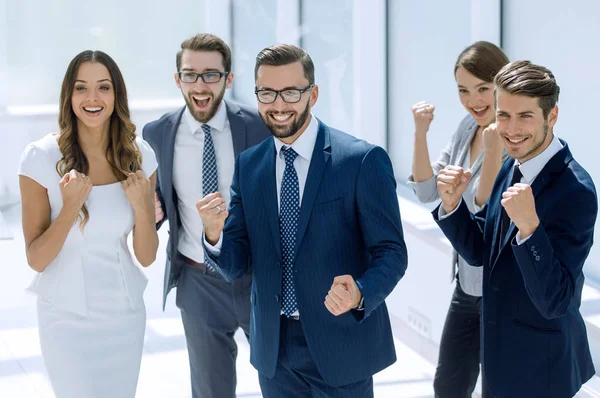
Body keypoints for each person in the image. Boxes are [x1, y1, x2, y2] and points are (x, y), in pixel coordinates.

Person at [199, 44, 408, 398]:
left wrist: (360, 291)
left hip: (341, 344)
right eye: (267, 93)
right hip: (274, 351)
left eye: (291, 92)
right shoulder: (249, 165)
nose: (279, 105)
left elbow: (391, 252)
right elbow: (235, 266)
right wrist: (214, 232)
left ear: (313, 94)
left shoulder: (360, 160)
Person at [433, 60, 597, 398]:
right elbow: (482, 249)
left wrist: (530, 230)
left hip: (542, 370)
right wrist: (452, 205)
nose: (511, 128)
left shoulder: (576, 190)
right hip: (498, 361)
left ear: (551, 116)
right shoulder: (511, 165)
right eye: (503, 115)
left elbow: (556, 301)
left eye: (525, 116)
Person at [17, 50, 158, 398]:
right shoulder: (40, 157)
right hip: (65, 314)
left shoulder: (140, 156)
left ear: (116, 95)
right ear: (69, 95)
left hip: (124, 314)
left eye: (103, 87)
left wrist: (142, 206)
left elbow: (147, 256)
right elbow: (36, 259)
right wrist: (70, 209)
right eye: (81, 88)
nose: (92, 98)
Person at [142, 33, 271, 398]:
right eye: (190, 74)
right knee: (211, 391)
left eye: (211, 75)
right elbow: (159, 204)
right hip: (197, 281)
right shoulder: (157, 133)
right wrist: (150, 213)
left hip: (257, 276)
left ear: (228, 79)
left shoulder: (259, 127)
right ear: (177, 79)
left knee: (282, 380)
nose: (200, 85)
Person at [408, 41, 508, 398]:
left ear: (503, 83)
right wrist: (421, 133)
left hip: (502, 291)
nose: (474, 100)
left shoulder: (515, 136)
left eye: (483, 88)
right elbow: (425, 192)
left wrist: (495, 151)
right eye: (464, 90)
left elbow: (485, 208)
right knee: (448, 385)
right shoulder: (469, 127)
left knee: (497, 388)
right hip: (466, 285)